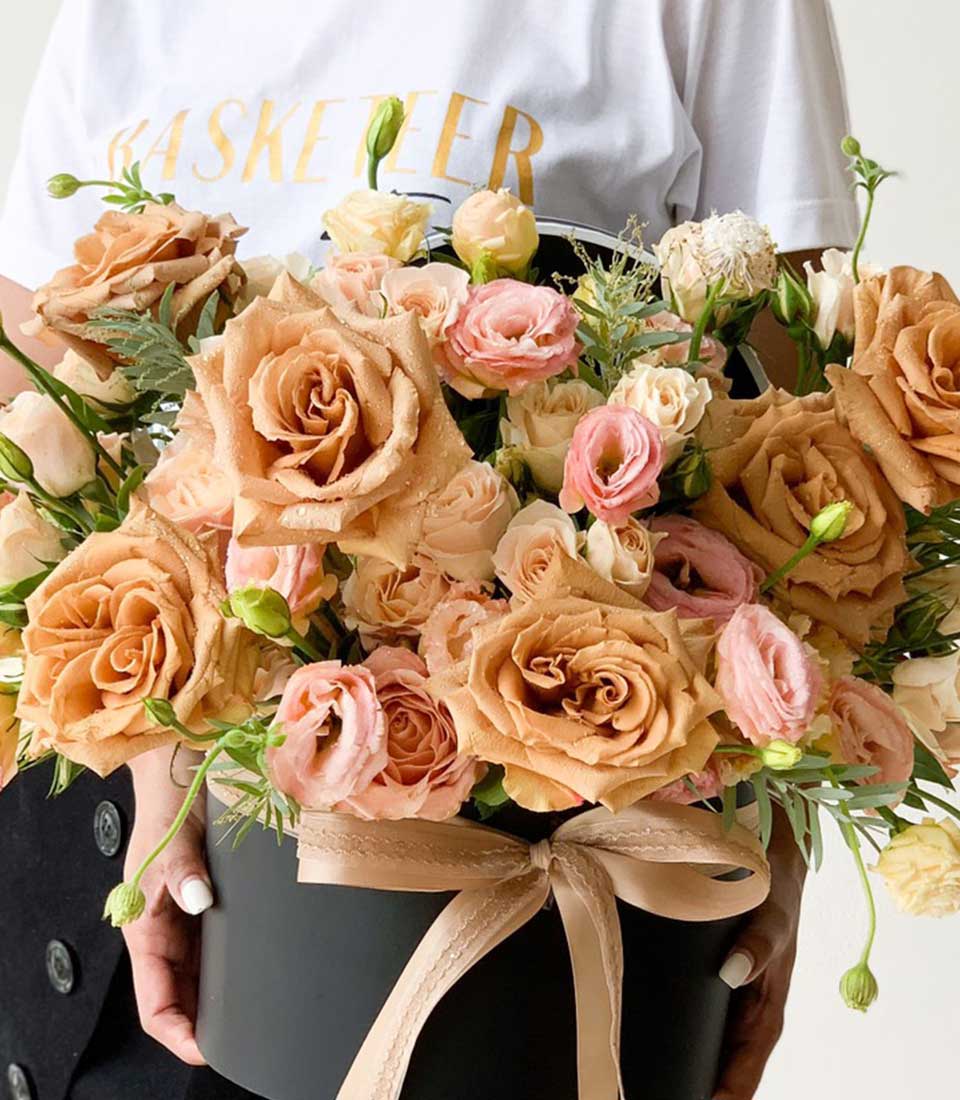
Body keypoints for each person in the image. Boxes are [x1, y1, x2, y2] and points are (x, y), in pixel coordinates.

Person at [0, 1, 853, 1097]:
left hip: (506, 915)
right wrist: (165, 741)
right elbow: (37, 405)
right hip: (115, 887)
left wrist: (767, 822)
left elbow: (791, 427)